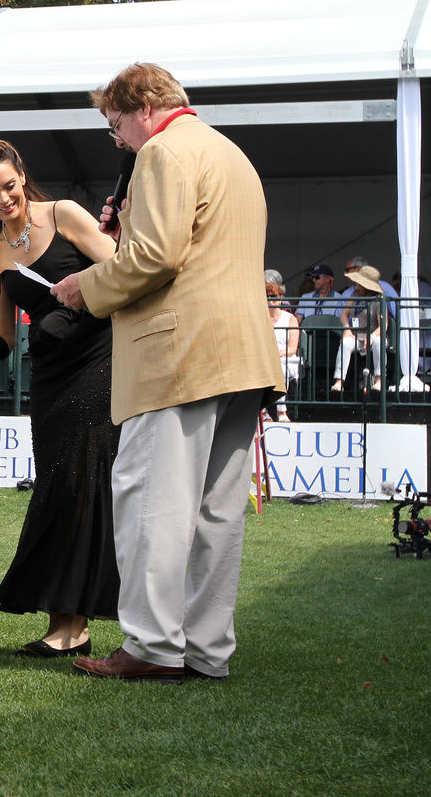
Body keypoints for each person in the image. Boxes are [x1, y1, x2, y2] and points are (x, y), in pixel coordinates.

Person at [51, 63, 283, 683]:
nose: (118, 138)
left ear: (145, 106)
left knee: (152, 501)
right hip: (242, 355)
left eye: (116, 122)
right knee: (216, 513)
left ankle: (153, 646)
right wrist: (125, 226)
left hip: (178, 355)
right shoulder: (229, 153)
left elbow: (157, 257)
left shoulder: (161, 154)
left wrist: (86, 285)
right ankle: (207, 650)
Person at [0, 138, 120, 657]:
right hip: (50, 379)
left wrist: (76, 311)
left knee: (81, 486)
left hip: (101, 366)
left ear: (22, 178)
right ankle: (67, 620)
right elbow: (4, 340)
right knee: (58, 487)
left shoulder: (65, 214)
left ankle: (73, 625)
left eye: (10, 187)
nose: (4, 199)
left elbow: (122, 272)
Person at [333, 265, 385, 393]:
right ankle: (339, 381)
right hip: (356, 335)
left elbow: (383, 325)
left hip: (374, 335)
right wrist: (347, 329)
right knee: (345, 343)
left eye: (359, 282)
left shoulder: (378, 300)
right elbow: (344, 315)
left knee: (379, 342)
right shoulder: (355, 294)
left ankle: (379, 380)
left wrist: (372, 336)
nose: (356, 284)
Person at [266, 270, 300, 421]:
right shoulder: (260, 319)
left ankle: (281, 412)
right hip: (266, 361)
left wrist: (275, 354)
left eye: (273, 296)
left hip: (287, 359)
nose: (269, 300)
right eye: (266, 296)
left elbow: (292, 349)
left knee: (279, 366)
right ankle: (264, 413)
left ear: (281, 297)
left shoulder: (290, 319)